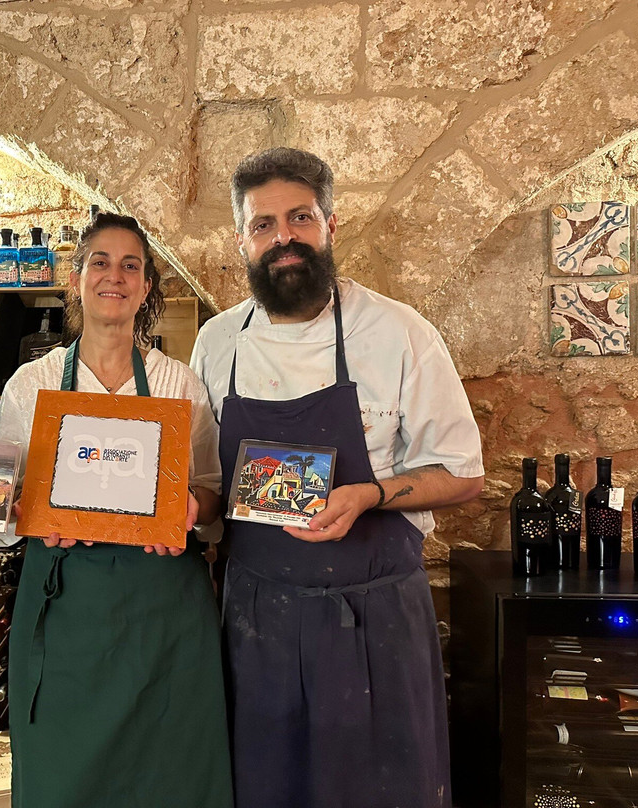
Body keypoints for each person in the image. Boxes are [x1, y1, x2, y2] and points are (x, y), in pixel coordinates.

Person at [190, 147, 484, 808]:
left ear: (330, 224)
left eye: (300, 217)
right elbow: (207, 481)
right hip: (255, 622)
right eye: (263, 224)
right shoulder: (217, 343)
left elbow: (464, 475)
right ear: (241, 239)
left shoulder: (400, 333)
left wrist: (370, 495)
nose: (283, 237)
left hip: (375, 620)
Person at [0, 212, 233, 808]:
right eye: (99, 262)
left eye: (131, 266)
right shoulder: (31, 384)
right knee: (61, 778)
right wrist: (14, 510)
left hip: (164, 614)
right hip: (65, 608)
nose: (114, 276)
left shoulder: (180, 385)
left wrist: (189, 507)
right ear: (77, 278)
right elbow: (1, 507)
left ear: (146, 286)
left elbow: (212, 496)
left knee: (170, 778)